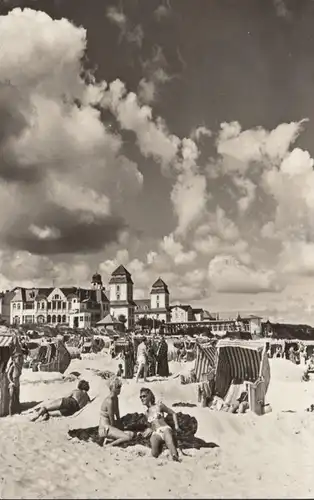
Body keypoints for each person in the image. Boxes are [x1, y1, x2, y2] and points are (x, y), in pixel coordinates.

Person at [138, 387, 180, 461]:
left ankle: (174, 456)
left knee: (170, 442)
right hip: (156, 433)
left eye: (144, 396)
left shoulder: (159, 406)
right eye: (140, 397)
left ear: (150, 396)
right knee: (154, 452)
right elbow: (151, 426)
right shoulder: (146, 413)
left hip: (165, 428)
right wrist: (147, 430)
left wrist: (176, 426)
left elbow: (173, 413)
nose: (142, 398)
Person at [98, 377, 134, 446]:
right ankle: (109, 445)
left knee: (131, 433)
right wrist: (120, 431)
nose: (120, 389)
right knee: (127, 437)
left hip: (110, 426)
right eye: (118, 387)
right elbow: (112, 421)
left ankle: (110, 439)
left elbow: (117, 415)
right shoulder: (109, 401)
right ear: (113, 388)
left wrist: (121, 428)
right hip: (105, 428)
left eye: (120, 386)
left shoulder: (115, 398)